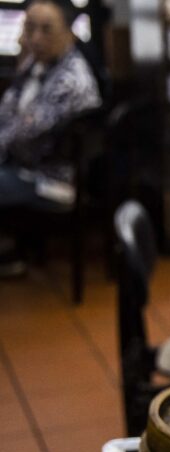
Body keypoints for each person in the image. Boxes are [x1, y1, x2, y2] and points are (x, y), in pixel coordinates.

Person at [0, 0, 101, 275]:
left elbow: (23, 134)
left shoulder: (70, 79)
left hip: (52, 181)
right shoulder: (36, 64)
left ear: (69, 33)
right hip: (22, 166)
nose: (35, 38)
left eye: (46, 30)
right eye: (29, 28)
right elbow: (7, 113)